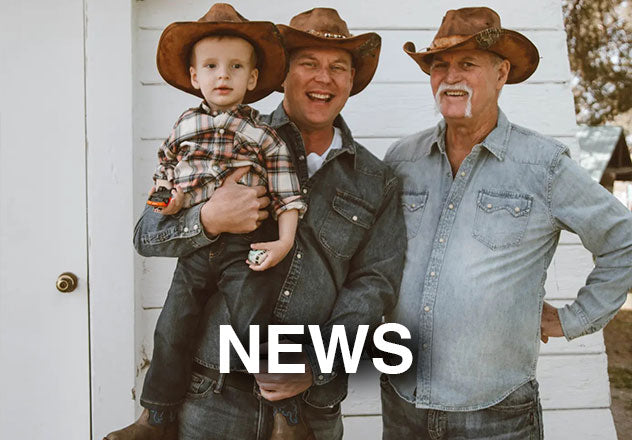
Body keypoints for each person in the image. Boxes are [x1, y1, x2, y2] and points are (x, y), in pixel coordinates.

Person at [119, 6, 405, 440]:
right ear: (281, 74)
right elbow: (147, 235)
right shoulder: (219, 140)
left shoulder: (375, 179)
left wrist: (315, 365)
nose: (323, 78)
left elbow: (374, 284)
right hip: (212, 395)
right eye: (308, 63)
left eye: (338, 67)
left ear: (351, 81)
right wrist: (208, 220)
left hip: (311, 406)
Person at [382, 6, 632, 439]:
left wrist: (574, 319)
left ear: (501, 74)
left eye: (467, 64)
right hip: (403, 403)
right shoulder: (403, 160)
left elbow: (623, 240)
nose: (450, 76)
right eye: (439, 65)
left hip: (496, 415)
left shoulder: (543, 165)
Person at [104, 4, 313, 440]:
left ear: (252, 79)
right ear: (195, 77)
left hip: (245, 248)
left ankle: (287, 417)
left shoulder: (264, 136)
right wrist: (173, 203)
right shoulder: (183, 127)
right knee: (172, 325)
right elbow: (163, 178)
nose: (223, 75)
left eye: (236, 67)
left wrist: (282, 243)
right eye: (212, 66)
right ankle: (156, 417)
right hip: (196, 248)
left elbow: (287, 195)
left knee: (254, 325)